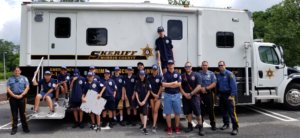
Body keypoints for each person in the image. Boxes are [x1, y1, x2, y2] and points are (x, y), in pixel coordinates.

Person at [180, 62, 204, 136]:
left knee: (197, 113)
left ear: (191, 67)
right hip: (185, 97)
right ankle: (190, 126)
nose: (187, 68)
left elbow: (199, 86)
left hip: (195, 97)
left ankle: (200, 128)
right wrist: (185, 94)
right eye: (186, 66)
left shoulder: (197, 75)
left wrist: (191, 94)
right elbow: (179, 86)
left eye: (189, 66)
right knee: (188, 113)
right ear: (184, 67)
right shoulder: (182, 76)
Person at [216, 61, 239, 135]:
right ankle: (226, 124)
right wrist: (218, 95)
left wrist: (232, 95)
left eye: (222, 65)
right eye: (219, 65)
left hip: (229, 95)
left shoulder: (230, 74)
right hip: (222, 95)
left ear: (225, 65)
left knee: (232, 112)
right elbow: (218, 86)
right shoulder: (218, 75)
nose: (221, 66)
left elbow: (234, 85)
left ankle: (235, 128)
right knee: (223, 111)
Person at [6, 67, 30, 135]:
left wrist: (22, 95)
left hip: (22, 97)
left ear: (20, 71)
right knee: (14, 114)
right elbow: (8, 89)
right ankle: (14, 129)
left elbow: (27, 87)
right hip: (13, 97)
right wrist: (14, 95)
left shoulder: (24, 78)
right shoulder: (10, 79)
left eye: (18, 70)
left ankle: (25, 128)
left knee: (23, 113)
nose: (17, 72)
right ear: (13, 72)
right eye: (15, 71)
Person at [162, 60, 182, 135]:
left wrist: (168, 84)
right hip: (167, 95)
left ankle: (177, 127)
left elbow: (179, 84)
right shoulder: (165, 74)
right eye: (169, 64)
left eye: (172, 64)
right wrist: (173, 83)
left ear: (174, 65)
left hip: (176, 95)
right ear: (167, 65)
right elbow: (163, 84)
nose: (170, 65)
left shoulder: (178, 74)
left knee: (177, 113)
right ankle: (169, 128)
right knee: (168, 113)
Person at [199, 61, 217, 131]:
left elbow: (214, 83)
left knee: (211, 110)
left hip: (209, 94)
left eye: (206, 65)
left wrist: (206, 88)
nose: (204, 66)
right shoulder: (198, 73)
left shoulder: (211, 74)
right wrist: (201, 89)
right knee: (201, 110)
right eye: (203, 65)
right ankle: (200, 124)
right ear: (201, 66)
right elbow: (196, 83)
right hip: (200, 94)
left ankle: (213, 124)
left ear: (208, 66)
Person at [134, 70, 151, 135]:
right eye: (141, 75)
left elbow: (149, 92)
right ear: (139, 75)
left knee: (145, 113)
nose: (142, 76)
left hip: (145, 100)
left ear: (144, 75)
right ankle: (142, 124)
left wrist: (144, 101)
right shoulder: (137, 82)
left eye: (143, 75)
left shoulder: (147, 82)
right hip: (139, 100)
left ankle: (145, 128)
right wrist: (138, 101)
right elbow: (136, 92)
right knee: (140, 113)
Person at [147, 64, 163, 133]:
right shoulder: (149, 78)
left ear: (157, 70)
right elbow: (149, 88)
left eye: (156, 70)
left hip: (158, 96)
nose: (154, 71)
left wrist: (157, 95)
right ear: (152, 70)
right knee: (153, 110)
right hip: (151, 96)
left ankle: (153, 126)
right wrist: (153, 95)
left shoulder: (160, 77)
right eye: (153, 69)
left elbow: (161, 87)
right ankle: (155, 123)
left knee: (156, 110)